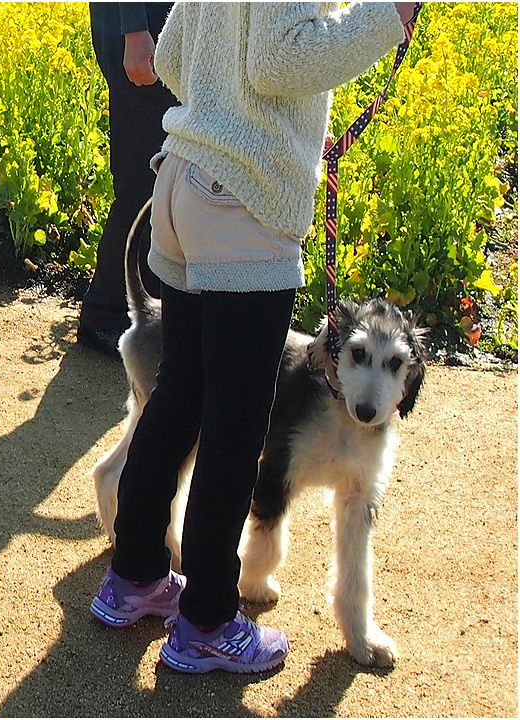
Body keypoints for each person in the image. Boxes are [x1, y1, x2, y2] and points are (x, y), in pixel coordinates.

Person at [89, 2, 419, 674]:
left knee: (181, 392)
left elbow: (172, 54)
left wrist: (233, 110)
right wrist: (391, 16)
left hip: (183, 180)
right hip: (243, 200)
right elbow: (279, 60)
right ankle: (208, 620)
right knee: (237, 423)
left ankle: (135, 577)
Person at [77, 3, 177, 358]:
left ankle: (149, 316)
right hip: (142, 31)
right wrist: (134, 30)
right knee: (141, 184)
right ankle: (105, 313)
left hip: (168, 30)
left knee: (167, 181)